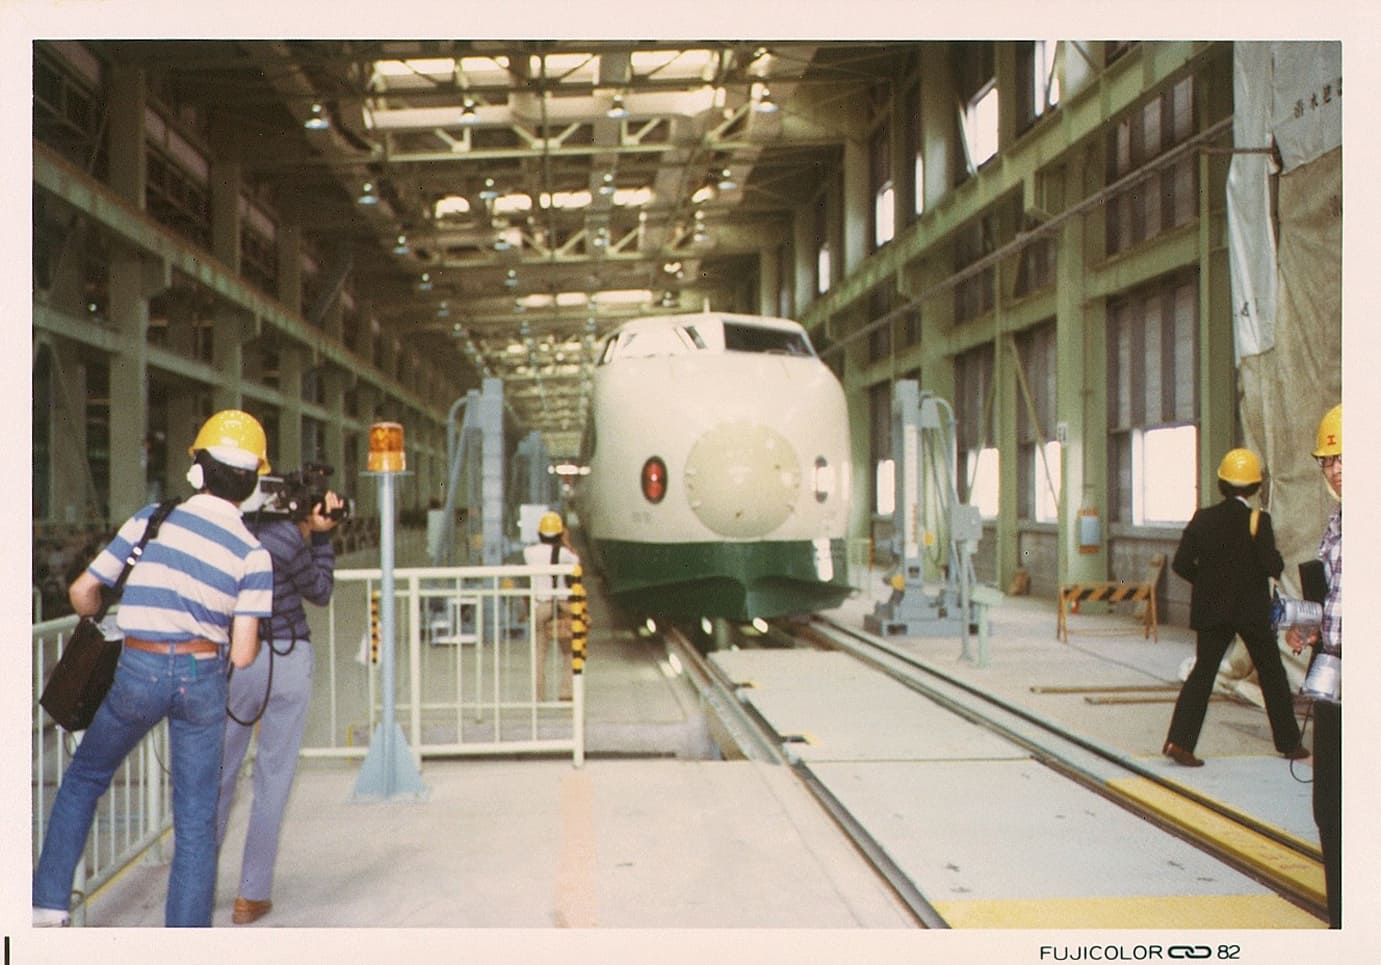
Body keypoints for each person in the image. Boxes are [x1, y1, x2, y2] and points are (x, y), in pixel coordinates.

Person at [33, 410, 273, 927]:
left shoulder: (153, 519)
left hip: (137, 668)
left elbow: (82, 592)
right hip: (202, 677)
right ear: (253, 484)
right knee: (194, 821)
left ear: (197, 471)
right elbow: (244, 654)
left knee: (85, 777)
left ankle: (48, 904)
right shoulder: (254, 555)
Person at [215, 483, 344, 926]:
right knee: (272, 777)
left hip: (237, 660)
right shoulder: (289, 539)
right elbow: (321, 590)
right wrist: (322, 537)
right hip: (288, 658)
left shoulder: (227, 533)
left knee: (219, 774)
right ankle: (250, 896)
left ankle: (197, 879)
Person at [1162, 447, 1308, 767]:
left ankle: (1180, 743)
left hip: (1212, 610)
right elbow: (1273, 566)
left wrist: (1207, 582)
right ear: (1255, 487)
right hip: (1250, 611)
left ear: (1222, 484)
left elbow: (1182, 563)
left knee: (1202, 674)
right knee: (1271, 673)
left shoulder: (1203, 518)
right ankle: (1289, 743)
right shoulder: (1259, 520)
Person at [1286, 403, 1341, 927]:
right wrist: (1307, 622)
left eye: (1345, 458)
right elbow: (1331, 594)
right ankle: (1344, 918)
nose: (1335, 470)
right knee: (1330, 805)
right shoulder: (1337, 523)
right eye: (1328, 461)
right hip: (1336, 673)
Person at [523, 511, 579, 701]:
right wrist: (567, 542)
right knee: (570, 651)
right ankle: (566, 691)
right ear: (559, 533)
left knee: (539, 653)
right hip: (561, 606)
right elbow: (577, 564)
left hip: (540, 606)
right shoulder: (563, 553)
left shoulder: (529, 553)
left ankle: (538, 696)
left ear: (540, 533)